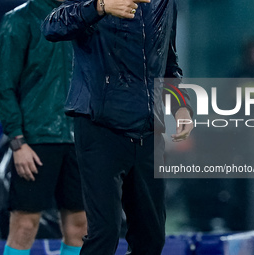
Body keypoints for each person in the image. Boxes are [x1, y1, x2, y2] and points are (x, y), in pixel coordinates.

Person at [42, 0, 194, 254]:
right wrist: (100, 7)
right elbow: (51, 27)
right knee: (105, 234)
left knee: (151, 238)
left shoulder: (166, 3)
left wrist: (180, 106)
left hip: (148, 132)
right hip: (100, 129)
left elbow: (168, 62)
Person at [0, 0, 87, 254]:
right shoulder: (19, 20)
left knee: (80, 225)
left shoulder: (83, 17)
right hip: (35, 140)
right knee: (24, 225)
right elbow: (4, 87)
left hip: (80, 138)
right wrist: (17, 142)